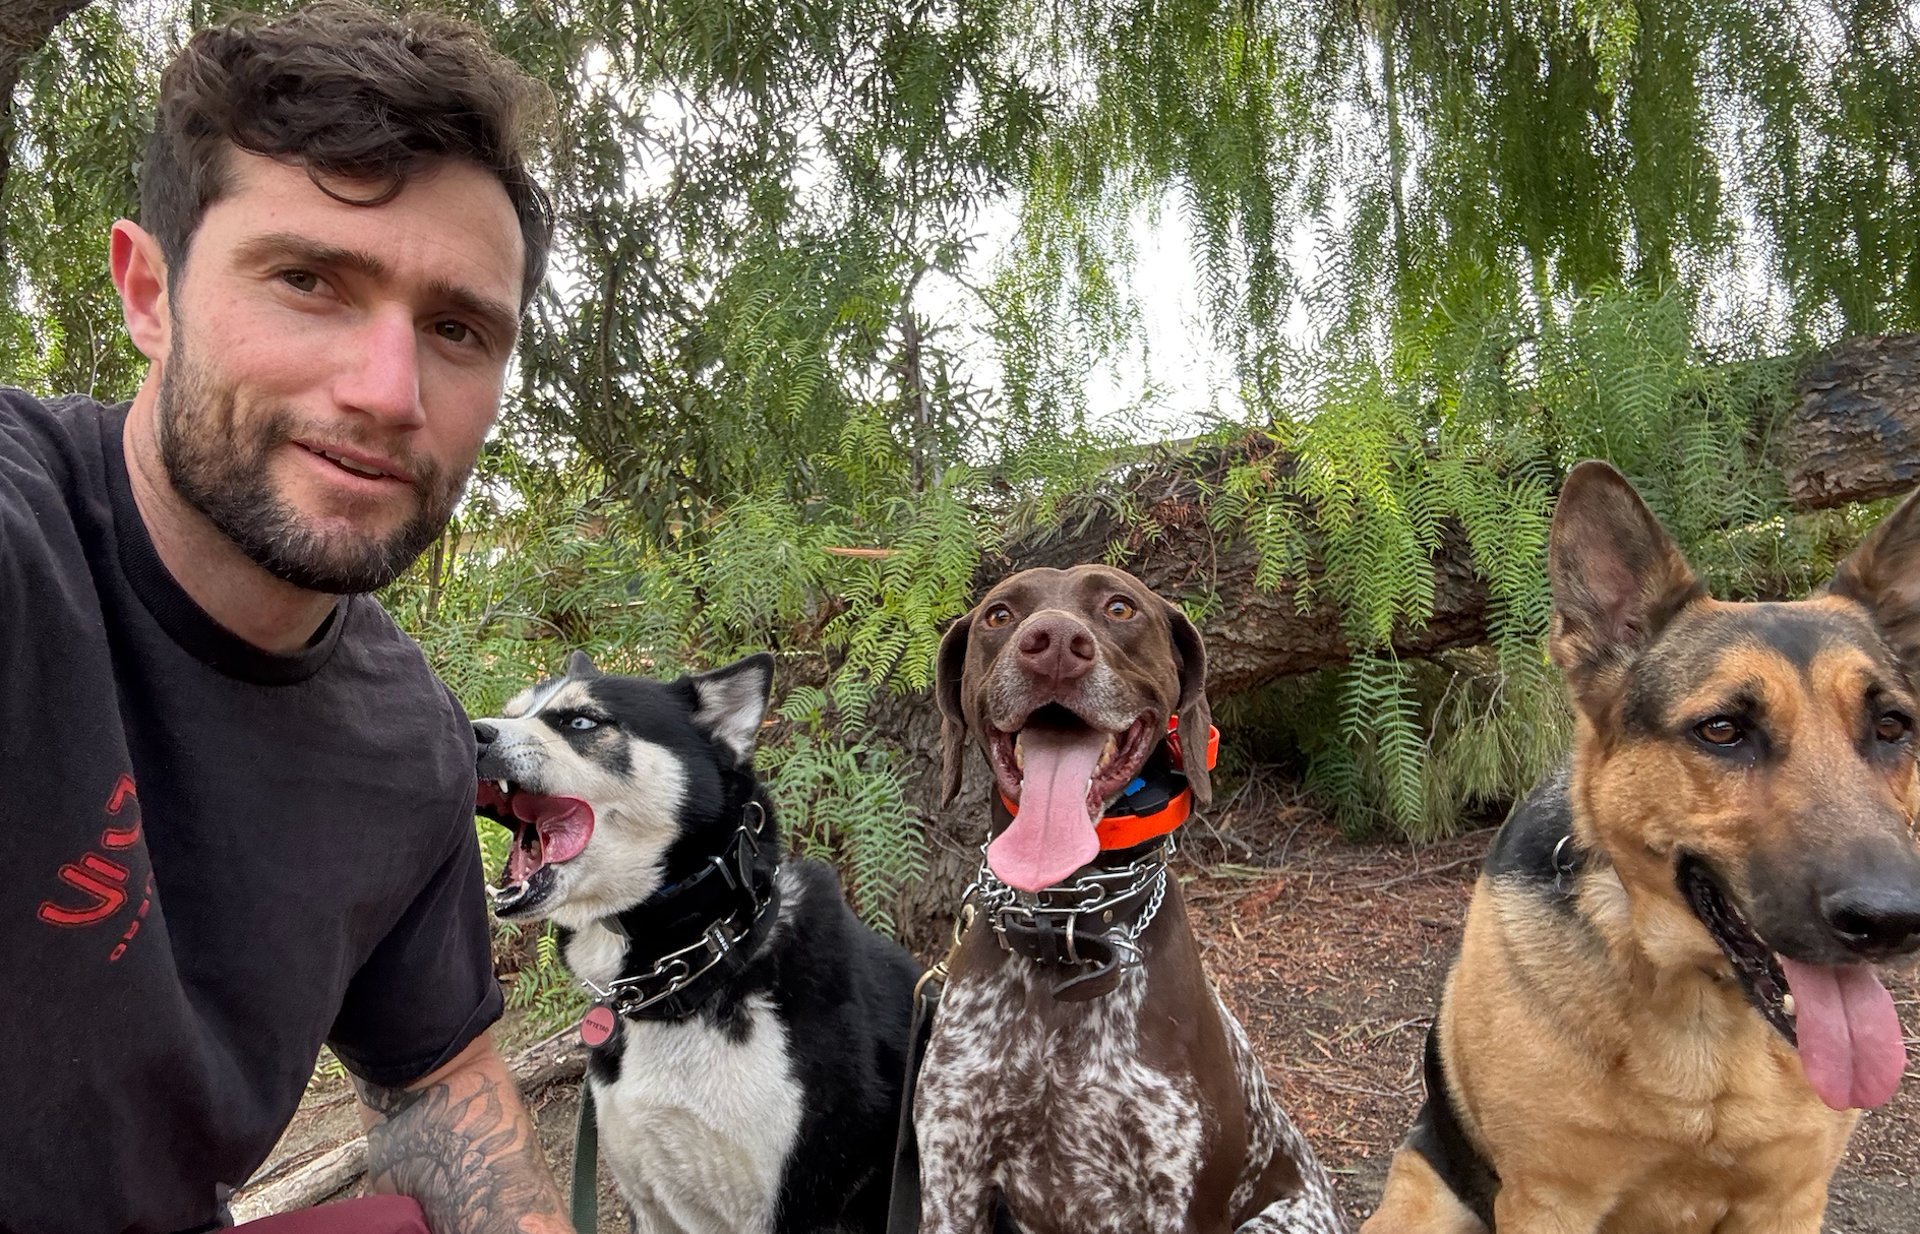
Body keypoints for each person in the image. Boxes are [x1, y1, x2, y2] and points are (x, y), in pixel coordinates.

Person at [0, 4, 575, 1231]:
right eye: (308, 280)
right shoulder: (25, 543)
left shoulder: (409, 742)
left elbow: (443, 1077)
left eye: (457, 329)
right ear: (148, 292)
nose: (387, 391)